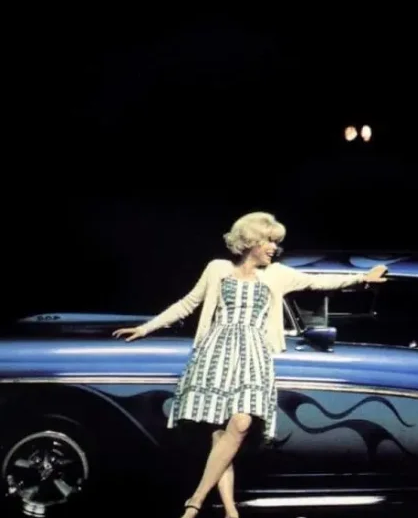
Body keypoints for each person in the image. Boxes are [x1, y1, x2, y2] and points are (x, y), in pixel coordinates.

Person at [112, 212, 388, 518]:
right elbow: (188, 303)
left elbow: (318, 282)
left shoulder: (278, 274)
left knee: (241, 423)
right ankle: (231, 511)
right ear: (251, 241)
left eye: (276, 242)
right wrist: (145, 328)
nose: (274, 248)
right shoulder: (217, 269)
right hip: (215, 354)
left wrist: (362, 278)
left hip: (254, 356)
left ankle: (195, 502)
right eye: (269, 241)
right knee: (220, 436)